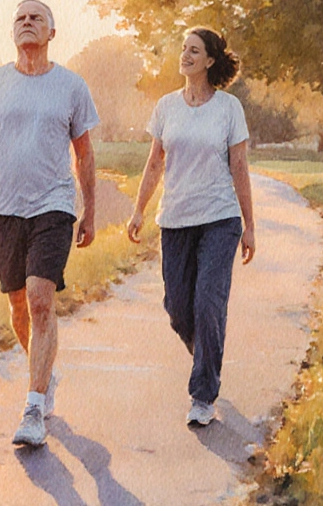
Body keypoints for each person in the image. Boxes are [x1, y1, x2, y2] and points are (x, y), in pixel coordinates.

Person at [0, 0, 99, 447]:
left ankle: (34, 406)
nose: (26, 22)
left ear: (52, 32)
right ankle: (46, 374)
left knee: (41, 298)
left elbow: (85, 154)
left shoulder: (71, 86)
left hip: (53, 205)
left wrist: (90, 210)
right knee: (18, 306)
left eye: (36, 17)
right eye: (19, 17)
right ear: (12, 31)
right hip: (5, 209)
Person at [126, 27, 255, 427]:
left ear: (210, 61)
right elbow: (154, 163)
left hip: (220, 218)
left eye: (194, 51)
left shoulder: (229, 108)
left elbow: (239, 167)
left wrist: (250, 226)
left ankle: (203, 395)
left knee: (207, 305)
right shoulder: (166, 106)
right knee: (178, 309)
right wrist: (138, 210)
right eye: (183, 49)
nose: (185, 55)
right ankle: (207, 357)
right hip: (176, 220)